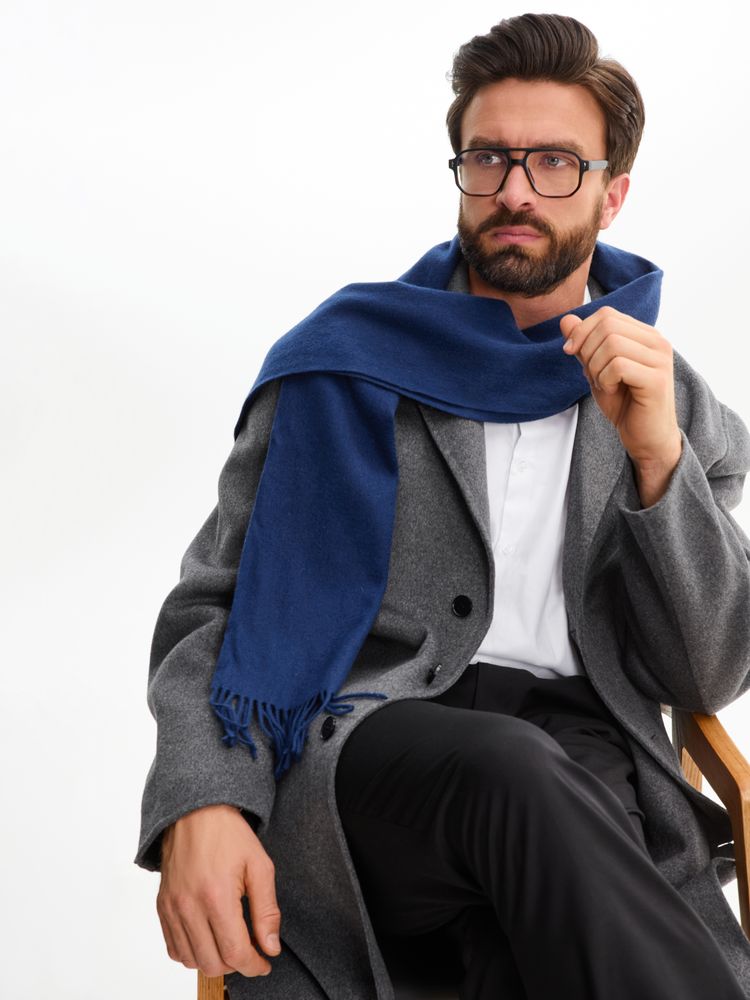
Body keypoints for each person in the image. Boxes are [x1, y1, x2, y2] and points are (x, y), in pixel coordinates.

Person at [136, 13, 750, 999]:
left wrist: (657, 462)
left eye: (555, 163)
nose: (515, 190)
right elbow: (214, 602)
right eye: (489, 158)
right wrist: (200, 799)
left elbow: (706, 670)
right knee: (514, 771)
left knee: (537, 876)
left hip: (585, 766)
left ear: (613, 193)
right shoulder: (344, 361)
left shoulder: (670, 403)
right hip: (372, 743)